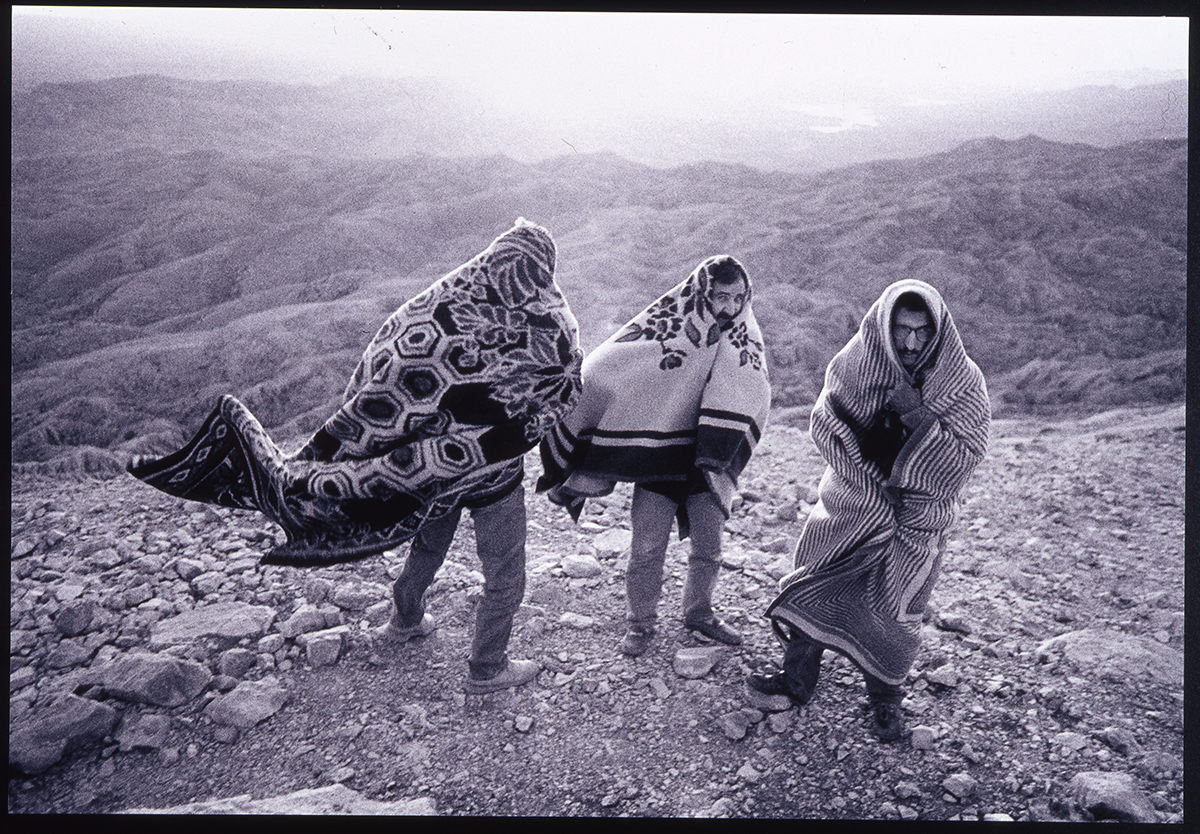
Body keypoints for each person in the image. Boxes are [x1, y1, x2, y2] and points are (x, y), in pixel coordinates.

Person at [130, 218, 583, 693]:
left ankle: (405, 620)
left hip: (428, 474)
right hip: (496, 475)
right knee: (505, 571)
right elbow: (568, 387)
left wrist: (369, 446)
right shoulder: (553, 324)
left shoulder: (430, 311)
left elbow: (375, 375)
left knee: (428, 546)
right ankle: (488, 668)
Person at [746, 279, 989, 741]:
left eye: (922, 331)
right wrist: (875, 484)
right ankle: (796, 681)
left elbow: (965, 456)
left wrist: (916, 415)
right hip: (851, 504)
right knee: (816, 582)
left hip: (918, 523)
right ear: (885, 325)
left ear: (938, 331)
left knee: (896, 611)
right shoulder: (859, 363)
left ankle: (884, 701)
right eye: (902, 329)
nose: (911, 342)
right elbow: (828, 425)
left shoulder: (962, 382)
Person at [538, 255, 771, 657]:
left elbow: (755, 391)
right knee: (647, 547)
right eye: (720, 297)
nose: (729, 307)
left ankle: (699, 613)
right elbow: (612, 364)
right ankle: (640, 624)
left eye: (737, 297)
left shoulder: (745, 340)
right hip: (659, 460)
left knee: (709, 546)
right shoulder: (669, 330)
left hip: (707, 466)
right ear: (702, 294)